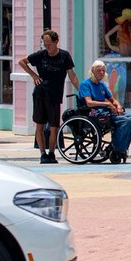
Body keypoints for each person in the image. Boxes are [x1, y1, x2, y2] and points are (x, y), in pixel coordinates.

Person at [18, 30, 80, 164]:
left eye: (50, 45)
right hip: (40, 93)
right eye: (45, 45)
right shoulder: (41, 55)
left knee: (54, 126)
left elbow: (72, 75)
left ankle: (52, 152)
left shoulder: (64, 56)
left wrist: (81, 90)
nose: (48, 48)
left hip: (55, 94)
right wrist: (34, 75)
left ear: (56, 42)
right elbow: (22, 62)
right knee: (39, 125)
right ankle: (42, 153)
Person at [78, 60, 131, 164]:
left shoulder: (102, 85)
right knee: (125, 121)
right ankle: (115, 148)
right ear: (92, 71)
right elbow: (89, 103)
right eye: (99, 70)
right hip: (93, 113)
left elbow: (112, 99)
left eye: (103, 71)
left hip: (104, 112)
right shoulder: (85, 84)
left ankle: (122, 147)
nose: (101, 72)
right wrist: (108, 105)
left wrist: (118, 106)